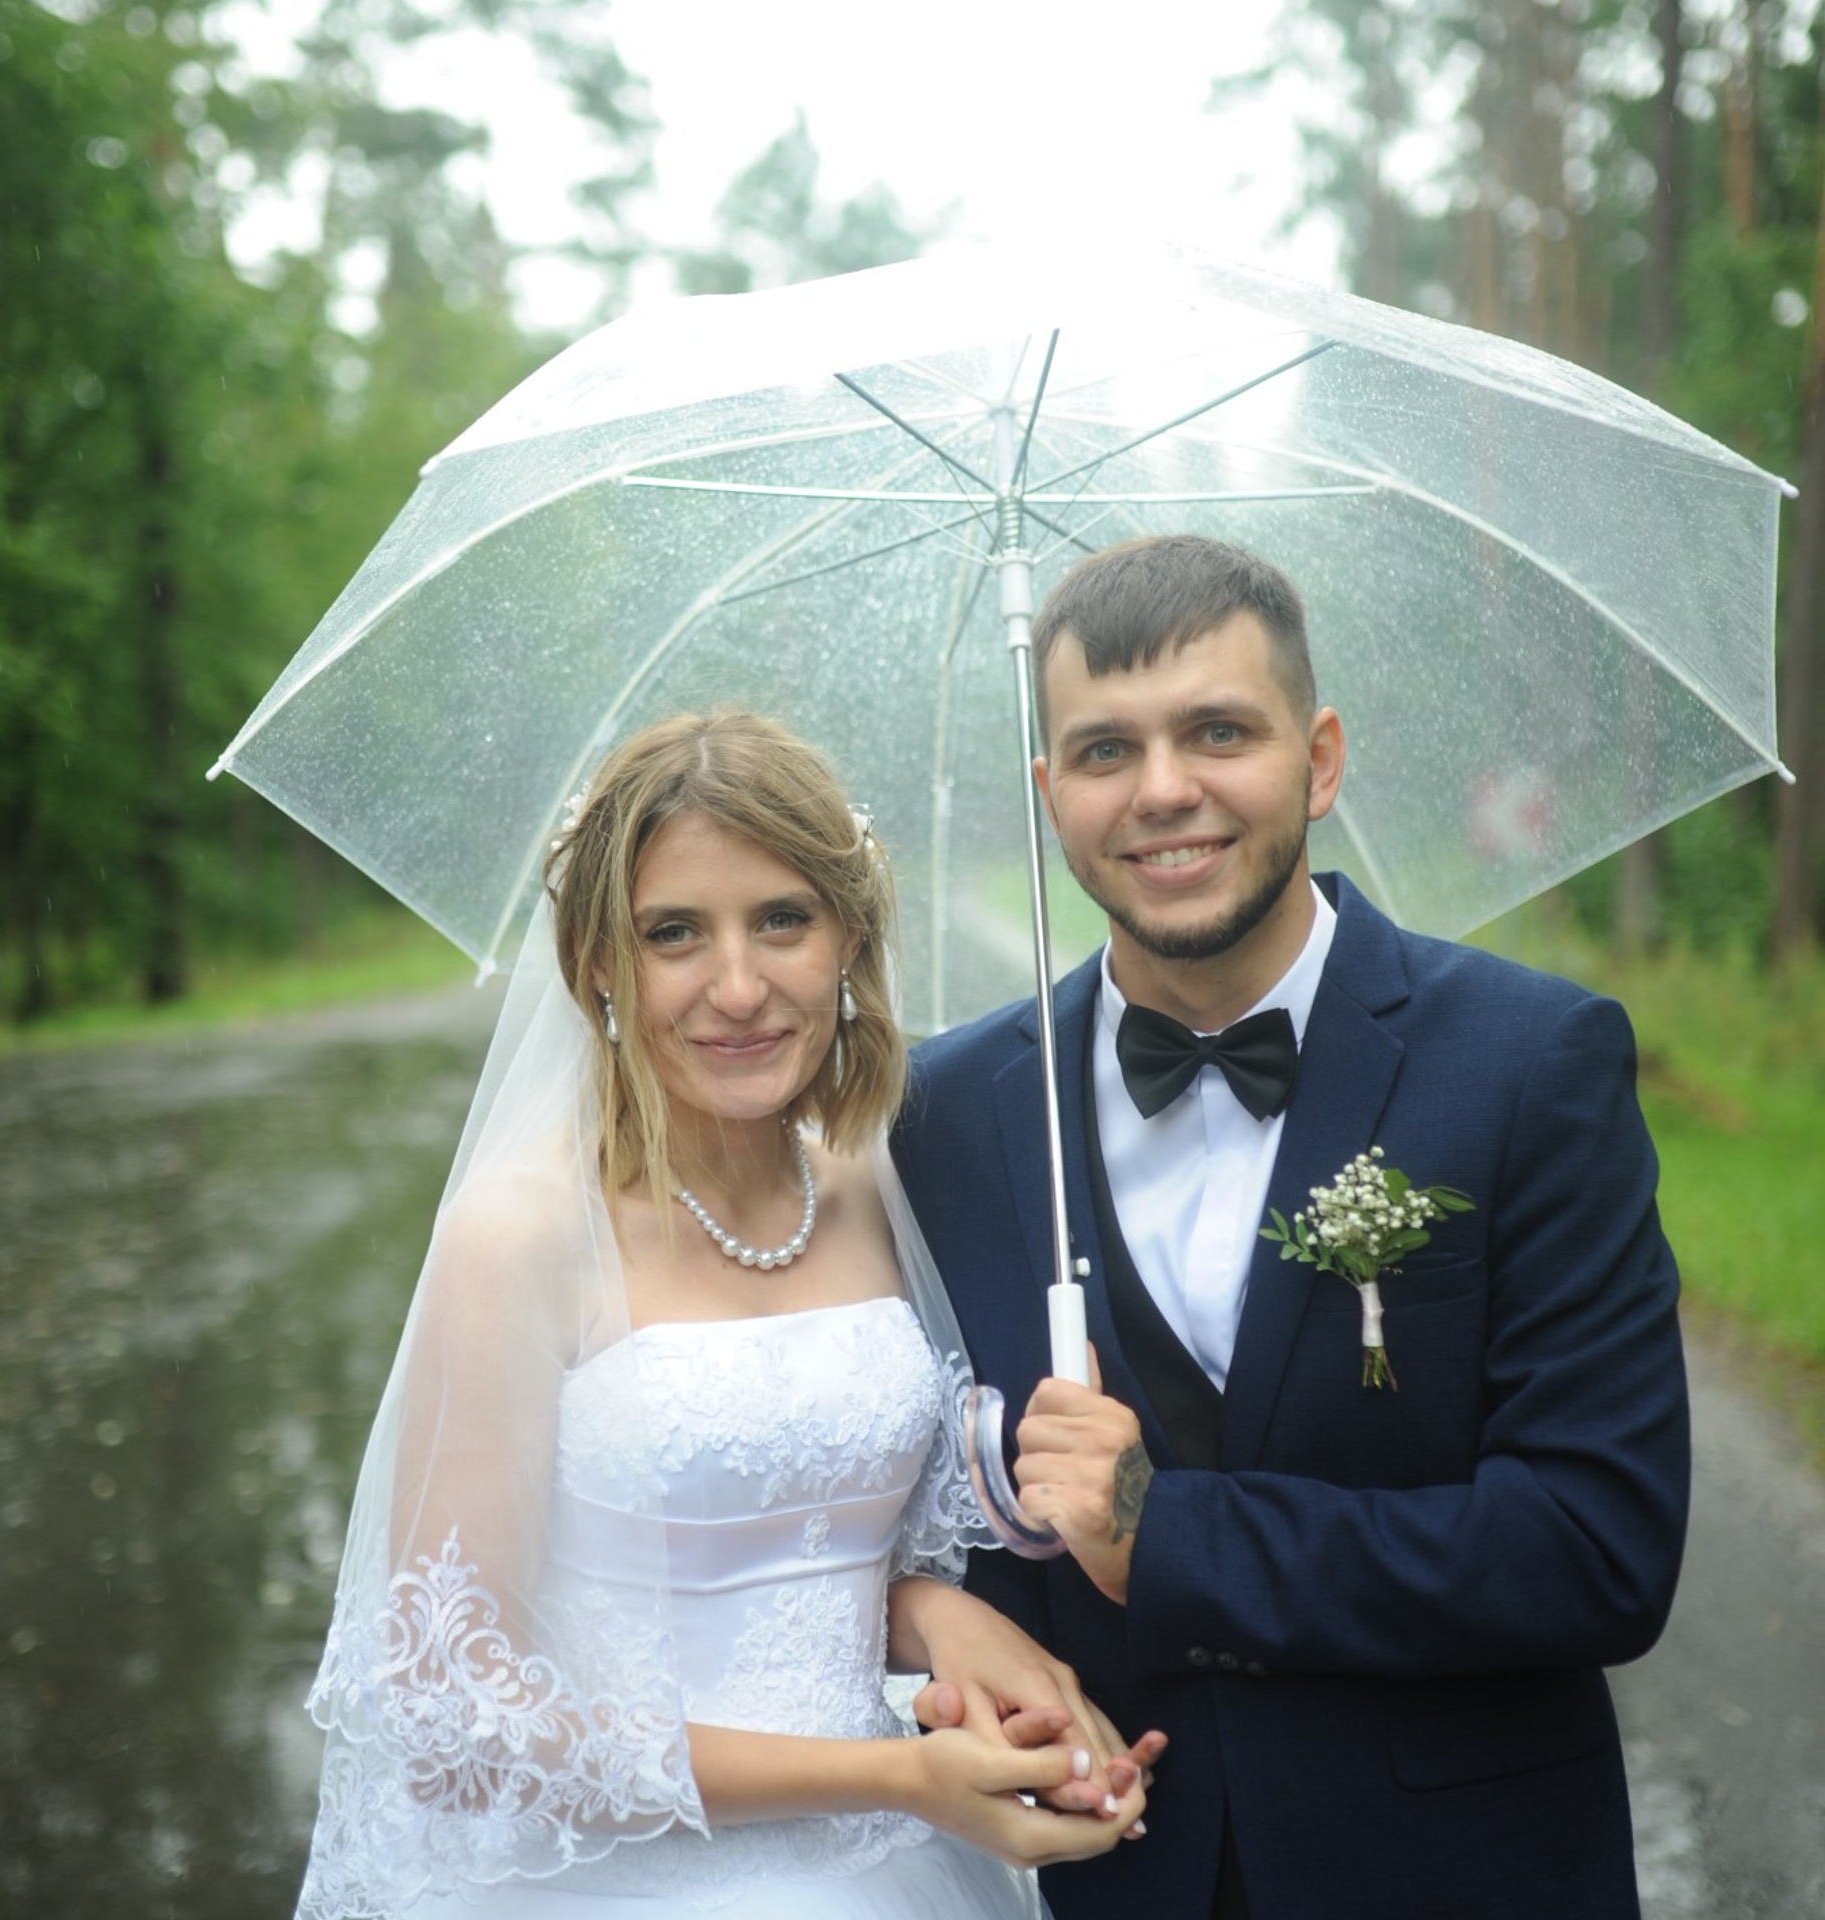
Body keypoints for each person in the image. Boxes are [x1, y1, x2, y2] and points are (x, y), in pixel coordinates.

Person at [893, 535, 1692, 1920]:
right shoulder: (945, 1113)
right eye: (1103, 752)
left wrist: (1168, 1534)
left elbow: (1596, 1548)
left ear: (1319, 759)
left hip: (1461, 1876)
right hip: (1099, 1879)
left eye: (1218, 732)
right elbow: (904, 1515)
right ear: (1050, 796)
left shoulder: (1529, 1065)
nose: (1163, 792)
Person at [294, 709, 1157, 1920]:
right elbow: (451, 1717)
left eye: (783, 921)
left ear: (848, 937)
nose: (739, 988)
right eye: (674, 934)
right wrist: (896, 1774)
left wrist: (934, 1613)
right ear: (597, 960)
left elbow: (809, 1547)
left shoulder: (870, 1185)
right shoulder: (520, 1236)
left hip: (899, 1878)